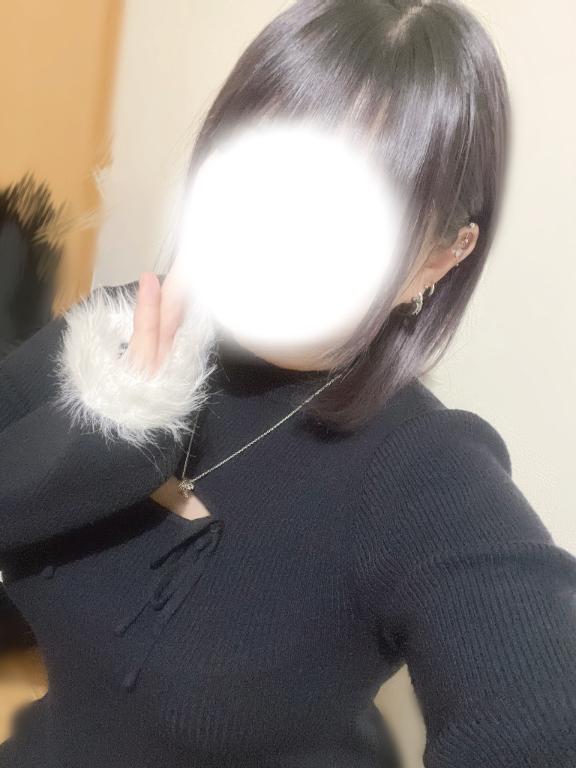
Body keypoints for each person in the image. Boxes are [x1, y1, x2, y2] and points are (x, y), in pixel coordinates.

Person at [1, 1, 575, 766]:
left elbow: (543, 713)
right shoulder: (125, 332)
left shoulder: (422, 470)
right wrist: (112, 426)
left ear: (440, 257)